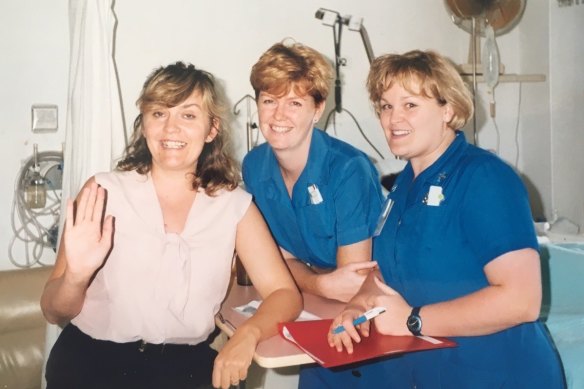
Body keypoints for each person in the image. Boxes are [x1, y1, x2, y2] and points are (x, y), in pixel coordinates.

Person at [40, 62, 302, 389]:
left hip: (184, 368)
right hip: (92, 365)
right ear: (144, 124)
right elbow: (53, 311)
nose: (171, 128)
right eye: (159, 113)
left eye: (188, 115)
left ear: (211, 129)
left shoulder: (234, 206)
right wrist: (76, 278)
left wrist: (247, 335)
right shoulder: (103, 192)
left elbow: (285, 294)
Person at [329, 50, 566, 388]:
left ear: (449, 110)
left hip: (500, 373)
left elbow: (522, 301)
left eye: (410, 105)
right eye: (386, 106)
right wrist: (356, 306)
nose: (394, 118)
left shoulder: (484, 177)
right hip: (433, 369)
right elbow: (386, 270)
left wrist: (413, 320)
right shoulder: (402, 186)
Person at [242, 41, 384, 388]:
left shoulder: (348, 168)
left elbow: (350, 283)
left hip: (372, 310)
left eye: (294, 103)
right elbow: (281, 261)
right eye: (269, 101)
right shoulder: (254, 166)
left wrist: (303, 278)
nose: (278, 115)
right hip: (319, 306)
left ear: (318, 108)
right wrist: (317, 281)